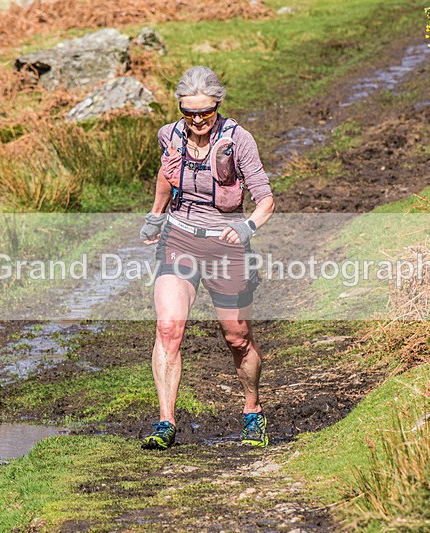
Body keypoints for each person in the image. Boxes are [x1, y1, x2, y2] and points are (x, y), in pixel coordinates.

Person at [139, 66, 275, 449]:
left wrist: (247, 228)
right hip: (179, 237)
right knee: (168, 327)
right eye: (189, 112)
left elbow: (265, 199)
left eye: (205, 112)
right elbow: (166, 176)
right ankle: (166, 422)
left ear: (217, 105)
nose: (197, 120)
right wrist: (155, 218)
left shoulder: (239, 139)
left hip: (227, 245)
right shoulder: (170, 135)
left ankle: (252, 412)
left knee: (237, 338)